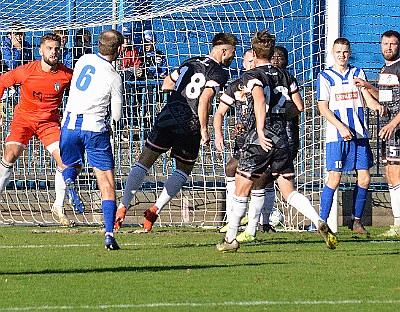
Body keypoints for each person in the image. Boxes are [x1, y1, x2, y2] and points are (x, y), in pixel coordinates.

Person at [216, 29, 338, 252]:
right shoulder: (286, 75)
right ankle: (318, 220)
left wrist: (262, 130)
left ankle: (230, 240)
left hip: (258, 139)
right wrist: (280, 116)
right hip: (283, 138)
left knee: (241, 189)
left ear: (254, 52)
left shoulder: (252, 76)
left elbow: (260, 101)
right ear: (272, 53)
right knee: (288, 190)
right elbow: (300, 107)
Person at [114, 32, 238, 231]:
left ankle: (122, 207)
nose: (233, 57)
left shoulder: (189, 62)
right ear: (223, 50)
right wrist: (204, 129)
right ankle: (154, 210)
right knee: (183, 170)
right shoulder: (219, 72)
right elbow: (205, 99)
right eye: (232, 52)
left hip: (168, 117)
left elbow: (167, 83)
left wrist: (175, 97)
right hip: (190, 124)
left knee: (144, 161)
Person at [59, 29, 124, 250]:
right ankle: (108, 233)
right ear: (119, 49)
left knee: (72, 165)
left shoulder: (83, 60)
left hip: (68, 125)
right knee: (106, 182)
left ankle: (69, 180)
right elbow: (116, 115)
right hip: (94, 128)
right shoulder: (114, 76)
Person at [0, 33, 73, 226]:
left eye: (56, 48)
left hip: (48, 124)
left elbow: (81, 93)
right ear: (40, 50)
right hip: (23, 119)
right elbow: (2, 82)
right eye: (49, 48)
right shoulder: (25, 71)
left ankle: (58, 206)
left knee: (64, 160)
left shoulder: (66, 74)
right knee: (10, 155)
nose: (53, 52)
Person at [317, 38, 384, 237]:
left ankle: (356, 221)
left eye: (345, 52)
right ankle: (321, 222)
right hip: (337, 137)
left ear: (349, 52)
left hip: (360, 134)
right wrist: (340, 126)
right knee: (334, 178)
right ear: (332, 52)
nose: (342, 55)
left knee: (365, 178)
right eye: (338, 52)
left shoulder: (358, 73)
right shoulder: (325, 76)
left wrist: (377, 106)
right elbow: (322, 107)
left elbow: (368, 100)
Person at [237, 45, 305, 241]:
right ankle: (260, 222)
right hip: (275, 137)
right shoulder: (270, 79)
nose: (276, 61)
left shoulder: (274, 78)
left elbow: (297, 107)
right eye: (274, 57)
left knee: (260, 179)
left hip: (277, 137)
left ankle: (256, 223)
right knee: (268, 181)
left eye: (280, 58)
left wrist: (277, 117)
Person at [214, 49, 276, 235]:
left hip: (264, 135)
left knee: (263, 177)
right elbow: (219, 112)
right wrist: (218, 133)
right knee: (233, 169)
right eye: (248, 61)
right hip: (244, 139)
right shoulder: (236, 86)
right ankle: (236, 219)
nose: (251, 65)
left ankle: (262, 222)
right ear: (243, 63)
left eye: (253, 61)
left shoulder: (265, 83)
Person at [355, 30, 400, 237]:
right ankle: (397, 224)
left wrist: (393, 124)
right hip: (386, 129)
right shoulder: (385, 69)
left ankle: (398, 224)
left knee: (396, 174)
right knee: (391, 174)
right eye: (385, 44)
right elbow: (384, 96)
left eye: (393, 44)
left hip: (396, 129)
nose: (389, 47)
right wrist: (367, 86)